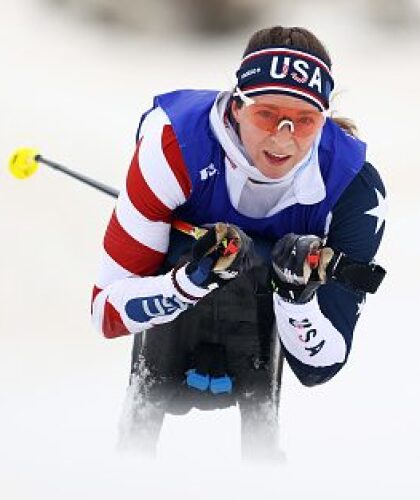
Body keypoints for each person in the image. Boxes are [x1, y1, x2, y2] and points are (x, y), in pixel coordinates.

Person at [91, 26, 387, 460]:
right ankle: (129, 466)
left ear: (323, 121)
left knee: (263, 286)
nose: (283, 138)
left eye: (304, 121)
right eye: (267, 114)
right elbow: (106, 314)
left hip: (259, 336)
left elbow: (320, 367)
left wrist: (295, 295)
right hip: (175, 323)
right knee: (185, 253)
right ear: (237, 105)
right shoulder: (173, 145)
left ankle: (260, 474)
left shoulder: (353, 186)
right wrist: (189, 282)